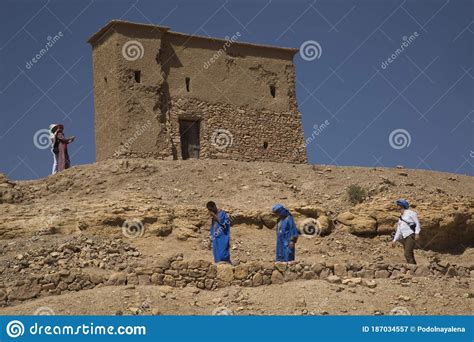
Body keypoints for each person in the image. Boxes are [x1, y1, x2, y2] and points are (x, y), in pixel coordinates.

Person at [391, 199, 421, 264]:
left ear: (402, 205)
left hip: (411, 235)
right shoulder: (400, 218)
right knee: (409, 253)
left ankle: (412, 269)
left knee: (407, 253)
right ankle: (415, 269)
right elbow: (399, 230)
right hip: (404, 237)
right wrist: (394, 240)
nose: (397, 206)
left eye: (398, 204)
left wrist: (417, 233)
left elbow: (417, 223)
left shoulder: (411, 213)